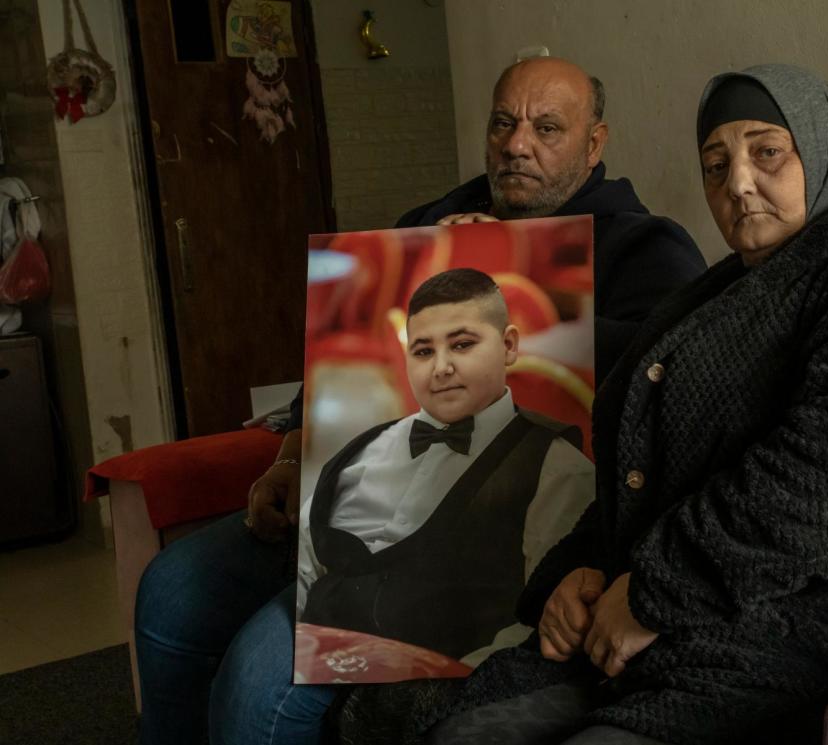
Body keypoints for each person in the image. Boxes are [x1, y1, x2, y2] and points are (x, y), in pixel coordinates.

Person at [367, 63, 828, 745]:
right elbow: (647, 472)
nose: (738, 183)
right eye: (715, 163)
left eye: (767, 151)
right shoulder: (724, 296)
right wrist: (580, 574)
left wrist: (653, 592)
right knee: (461, 732)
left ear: (823, 147)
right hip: (693, 624)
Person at [133, 56, 705, 745]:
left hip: (478, 553)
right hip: (341, 514)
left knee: (260, 674)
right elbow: (338, 362)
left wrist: (498, 264)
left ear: (595, 145)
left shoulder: (645, 248)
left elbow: (663, 381)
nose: (517, 144)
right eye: (503, 123)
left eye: (547, 128)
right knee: (169, 587)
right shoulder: (428, 222)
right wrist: (292, 454)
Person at [298, 268, 593, 663]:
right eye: (423, 352)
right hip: (315, 649)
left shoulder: (557, 470)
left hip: (447, 679)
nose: (440, 368)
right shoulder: (365, 450)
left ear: (508, 346)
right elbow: (305, 561)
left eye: (462, 345)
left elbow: (542, 625)